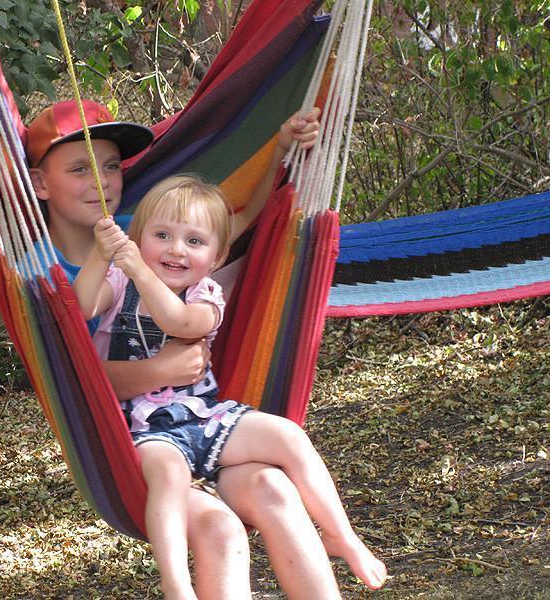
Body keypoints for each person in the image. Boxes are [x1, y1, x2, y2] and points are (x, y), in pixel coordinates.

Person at [26, 100, 365, 599]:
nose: (101, 182)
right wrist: (154, 370)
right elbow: (71, 375)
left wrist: (282, 149)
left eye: (112, 166)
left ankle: (341, 540)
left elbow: (239, 221)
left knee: (276, 488)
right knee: (221, 530)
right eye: (80, 169)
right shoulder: (42, 269)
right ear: (39, 183)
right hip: (134, 443)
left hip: (207, 422)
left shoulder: (145, 238)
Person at [72, 175, 388, 599]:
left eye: (194, 241)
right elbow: (79, 309)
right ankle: (176, 584)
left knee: (288, 436)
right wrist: (100, 255)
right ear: (137, 237)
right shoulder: (118, 281)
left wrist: (137, 269)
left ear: (217, 256)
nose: (176, 249)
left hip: (203, 417)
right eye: (162, 235)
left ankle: (340, 535)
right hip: (144, 430)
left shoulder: (207, 296)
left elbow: (180, 323)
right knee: (167, 476)